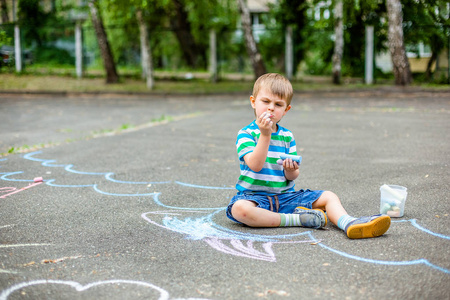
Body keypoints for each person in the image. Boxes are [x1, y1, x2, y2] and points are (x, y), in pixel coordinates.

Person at [226, 73, 390, 239]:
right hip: (254, 198)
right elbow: (255, 165)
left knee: (329, 196)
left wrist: (291, 170)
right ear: (253, 102)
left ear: (286, 110)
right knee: (240, 210)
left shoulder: (287, 136)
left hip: (286, 197)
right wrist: (265, 135)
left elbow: (292, 176)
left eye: (278, 104)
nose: (271, 108)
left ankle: (348, 223)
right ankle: (297, 219)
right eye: (265, 101)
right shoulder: (246, 134)